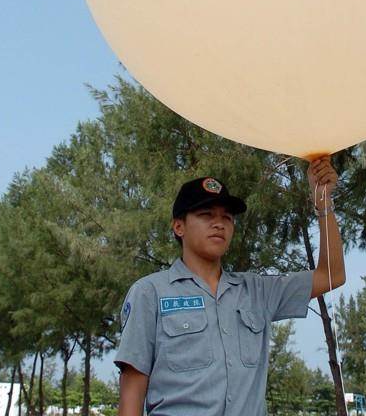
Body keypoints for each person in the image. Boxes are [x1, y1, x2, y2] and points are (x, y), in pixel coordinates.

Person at [115, 157, 345, 416]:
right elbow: (132, 394)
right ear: (178, 226)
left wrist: (323, 202)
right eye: (205, 215)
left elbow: (331, 275)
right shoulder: (150, 293)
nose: (219, 223)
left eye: (227, 217)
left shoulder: (257, 291)